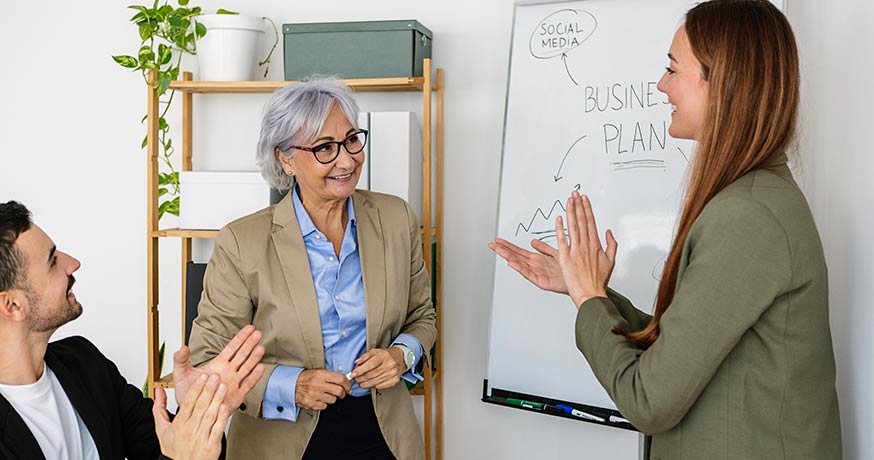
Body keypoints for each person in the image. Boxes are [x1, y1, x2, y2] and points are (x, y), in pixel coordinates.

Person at [490, 1, 842, 459]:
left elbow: (649, 400)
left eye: (672, 69)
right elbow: (681, 348)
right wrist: (587, 289)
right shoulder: (752, 199)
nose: (661, 85)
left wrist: (589, 299)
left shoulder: (748, 215)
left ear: (724, 82)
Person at [188, 77, 437, 460]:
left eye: (352, 140)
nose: (347, 160)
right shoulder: (242, 241)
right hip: (279, 440)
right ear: (285, 159)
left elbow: (423, 316)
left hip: (385, 433)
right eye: (325, 148)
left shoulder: (395, 218)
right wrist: (292, 385)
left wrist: (401, 354)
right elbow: (209, 359)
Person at [0, 200, 267, 460]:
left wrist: (197, 408)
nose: (73, 263)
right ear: (12, 305)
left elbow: (163, 448)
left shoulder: (84, 363)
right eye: (52, 261)